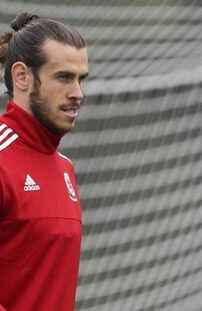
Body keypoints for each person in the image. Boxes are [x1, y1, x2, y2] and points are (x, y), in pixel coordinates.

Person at [0, 12, 88, 311]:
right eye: (64, 77)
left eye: (80, 79)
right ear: (22, 76)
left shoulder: (65, 169)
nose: (77, 93)